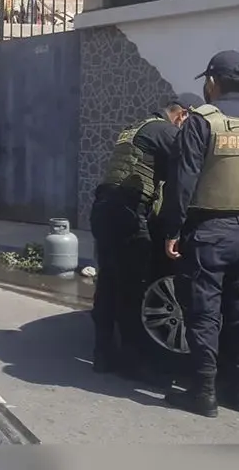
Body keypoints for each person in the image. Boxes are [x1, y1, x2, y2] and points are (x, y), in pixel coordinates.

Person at [160, 51, 239, 418]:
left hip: (209, 233)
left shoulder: (202, 121)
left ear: (212, 82)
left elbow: (183, 182)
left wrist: (172, 229)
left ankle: (204, 393)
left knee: (204, 314)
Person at [88, 92, 203, 383]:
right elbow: (189, 165)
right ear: (183, 116)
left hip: (105, 209)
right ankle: (132, 361)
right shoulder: (165, 131)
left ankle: (102, 353)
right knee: (132, 286)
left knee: (109, 282)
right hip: (127, 212)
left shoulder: (139, 126)